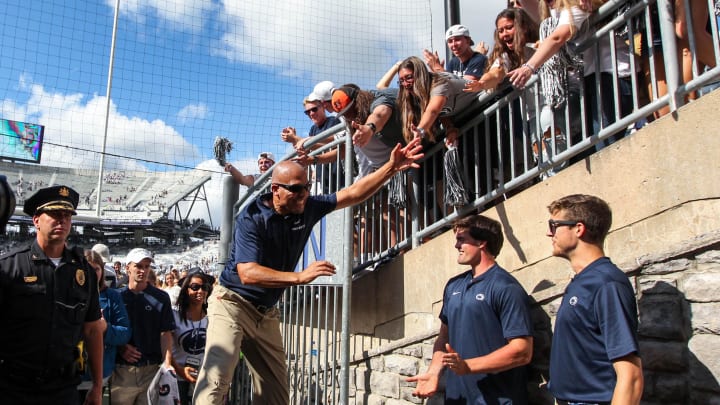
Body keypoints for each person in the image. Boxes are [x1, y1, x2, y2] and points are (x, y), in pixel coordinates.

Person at [193, 138, 423, 404]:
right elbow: (248, 273)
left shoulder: (307, 206)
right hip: (232, 304)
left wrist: (391, 168)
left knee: (276, 395)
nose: (304, 194)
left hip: (265, 314)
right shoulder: (252, 217)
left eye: (307, 187)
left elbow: (352, 194)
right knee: (216, 380)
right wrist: (299, 277)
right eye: (296, 189)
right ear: (276, 189)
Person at [407, 214, 534, 404]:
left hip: (498, 399)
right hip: (457, 399)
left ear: (482, 242)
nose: (456, 246)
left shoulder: (505, 287)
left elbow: (522, 351)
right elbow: (444, 338)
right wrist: (433, 373)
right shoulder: (453, 286)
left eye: (461, 239)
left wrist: (468, 366)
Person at [0, 185, 105, 404]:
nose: (63, 220)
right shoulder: (10, 267)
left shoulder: (83, 271)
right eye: (55, 214)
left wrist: (97, 384)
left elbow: (93, 330)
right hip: (13, 388)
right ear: (36, 220)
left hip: (63, 389)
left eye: (67, 215)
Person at [545, 194, 643, 404]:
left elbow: (631, 375)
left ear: (578, 229)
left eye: (554, 226)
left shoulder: (606, 283)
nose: (548, 233)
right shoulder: (583, 281)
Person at [112, 248, 176, 405]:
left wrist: (167, 364)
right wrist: (121, 347)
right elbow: (108, 330)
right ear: (128, 268)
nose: (143, 270)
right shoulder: (116, 296)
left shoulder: (161, 297)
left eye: (147, 266)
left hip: (151, 370)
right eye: (139, 266)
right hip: (122, 370)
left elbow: (166, 332)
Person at [77, 249, 132, 403]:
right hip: (68, 373)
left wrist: (105, 328)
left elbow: (125, 332)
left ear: (102, 270)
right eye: (87, 268)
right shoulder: (67, 294)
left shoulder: (112, 296)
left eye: (96, 269)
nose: (92, 273)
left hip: (99, 374)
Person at [171, 269, 214, 405]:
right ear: (186, 290)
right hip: (177, 376)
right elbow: (165, 348)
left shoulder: (213, 317)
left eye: (204, 287)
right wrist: (180, 370)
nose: (200, 291)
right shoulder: (174, 315)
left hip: (204, 377)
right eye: (195, 287)